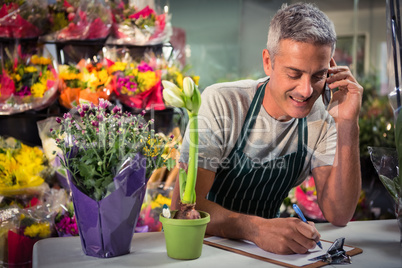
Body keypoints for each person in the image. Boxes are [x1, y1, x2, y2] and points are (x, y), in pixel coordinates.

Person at [172, 2, 362, 255]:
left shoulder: (322, 118)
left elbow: (339, 214)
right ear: (268, 62)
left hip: (266, 253)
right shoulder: (223, 102)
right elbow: (184, 208)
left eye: (318, 76)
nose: (306, 91)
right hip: (204, 250)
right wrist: (256, 229)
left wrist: (348, 124)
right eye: (294, 74)